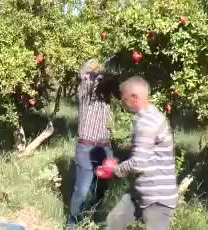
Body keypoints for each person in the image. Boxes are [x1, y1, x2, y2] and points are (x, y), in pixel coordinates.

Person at [104, 76, 178, 230]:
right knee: (114, 223)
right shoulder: (149, 115)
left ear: (135, 97)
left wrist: (115, 170)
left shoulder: (147, 122)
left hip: (157, 198)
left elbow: (138, 163)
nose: (123, 104)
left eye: (124, 100)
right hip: (142, 192)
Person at [67, 59, 119, 227]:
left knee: (101, 188)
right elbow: (88, 77)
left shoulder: (107, 92)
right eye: (95, 71)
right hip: (86, 147)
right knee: (81, 191)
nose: (98, 74)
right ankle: (72, 224)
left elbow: (115, 84)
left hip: (105, 148)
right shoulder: (85, 89)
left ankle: (92, 218)